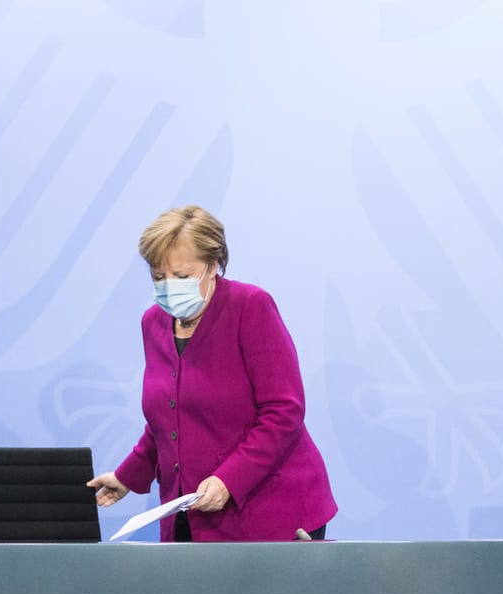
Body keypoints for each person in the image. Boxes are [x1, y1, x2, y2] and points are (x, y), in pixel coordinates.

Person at [87, 205, 336, 541]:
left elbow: (283, 411)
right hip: (191, 516)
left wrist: (229, 480)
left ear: (213, 265)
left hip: (271, 513)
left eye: (183, 276)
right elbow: (169, 418)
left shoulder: (250, 307)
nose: (169, 286)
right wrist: (128, 476)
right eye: (158, 277)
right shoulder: (153, 323)